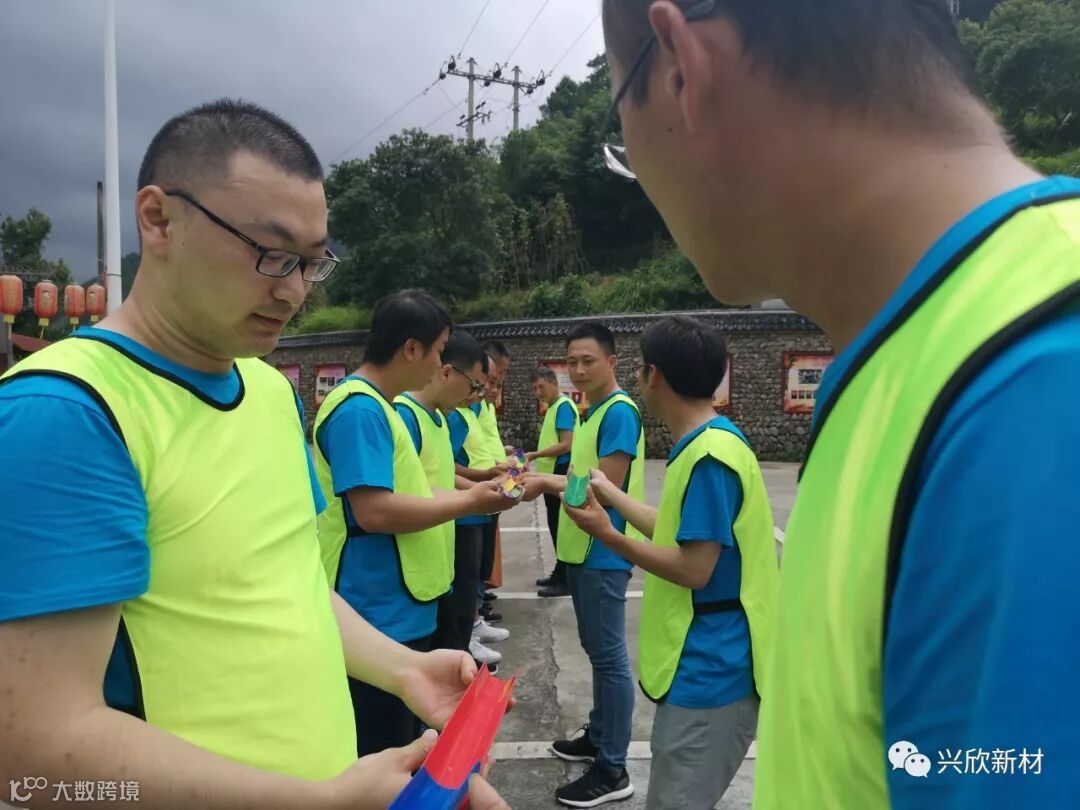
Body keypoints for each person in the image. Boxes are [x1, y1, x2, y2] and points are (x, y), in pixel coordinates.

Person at [600, 2, 1080, 807]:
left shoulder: (1037, 388)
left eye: (621, 129)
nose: (639, 170)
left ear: (683, 69)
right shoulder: (911, 355)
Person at [0, 99, 506, 808]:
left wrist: (404, 669)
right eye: (270, 253)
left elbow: (287, 584)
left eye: (311, 263)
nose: (294, 291)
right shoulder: (66, 414)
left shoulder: (266, 390)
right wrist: (322, 801)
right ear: (158, 219)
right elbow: (33, 751)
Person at [563, 316, 778, 810]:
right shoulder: (710, 442)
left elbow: (693, 568)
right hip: (706, 663)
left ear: (653, 375)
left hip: (712, 671)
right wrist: (611, 494)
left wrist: (607, 534)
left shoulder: (709, 459)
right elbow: (679, 529)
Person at [313, 289, 518, 757]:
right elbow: (374, 511)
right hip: (373, 608)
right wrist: (469, 503)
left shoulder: (380, 406)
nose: (441, 365)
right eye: (439, 350)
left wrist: (477, 496)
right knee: (383, 747)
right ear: (411, 348)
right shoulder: (360, 409)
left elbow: (417, 493)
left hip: (401, 602)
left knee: (407, 741)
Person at [527, 322, 645, 807]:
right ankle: (598, 735)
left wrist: (544, 483)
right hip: (582, 548)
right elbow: (581, 477)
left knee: (610, 658)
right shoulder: (591, 411)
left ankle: (613, 767)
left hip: (604, 551)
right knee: (597, 651)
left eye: (587, 361)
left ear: (612, 362)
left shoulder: (618, 413)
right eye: (571, 362)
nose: (577, 370)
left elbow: (603, 487)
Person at [394, 331, 509, 660]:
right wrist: (475, 497)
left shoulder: (438, 419)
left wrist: (482, 487)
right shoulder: (404, 416)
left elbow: (445, 473)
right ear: (446, 372)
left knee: (453, 642)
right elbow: (398, 496)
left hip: (438, 560)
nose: (476, 396)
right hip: (413, 569)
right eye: (474, 386)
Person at [446, 360, 511, 670]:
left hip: (479, 502)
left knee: (475, 574)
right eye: (482, 383)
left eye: (493, 383)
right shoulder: (448, 416)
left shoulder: (471, 411)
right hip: (464, 511)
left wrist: (489, 476)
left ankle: (472, 627)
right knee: (464, 580)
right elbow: (445, 468)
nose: (485, 390)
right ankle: (466, 641)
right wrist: (481, 482)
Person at [528, 366, 579, 597]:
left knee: (561, 526)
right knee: (555, 524)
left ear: (554, 383)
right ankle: (560, 573)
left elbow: (566, 444)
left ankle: (566, 579)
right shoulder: (553, 408)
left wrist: (535, 455)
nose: (538, 392)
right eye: (535, 389)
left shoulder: (563, 407)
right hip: (551, 473)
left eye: (541, 387)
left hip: (560, 471)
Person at [477, 340, 512, 619]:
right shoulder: (464, 410)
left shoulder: (484, 406)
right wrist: (488, 476)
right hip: (480, 493)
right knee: (474, 560)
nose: (495, 386)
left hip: (491, 485)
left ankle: (478, 600)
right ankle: (475, 610)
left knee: (483, 555)